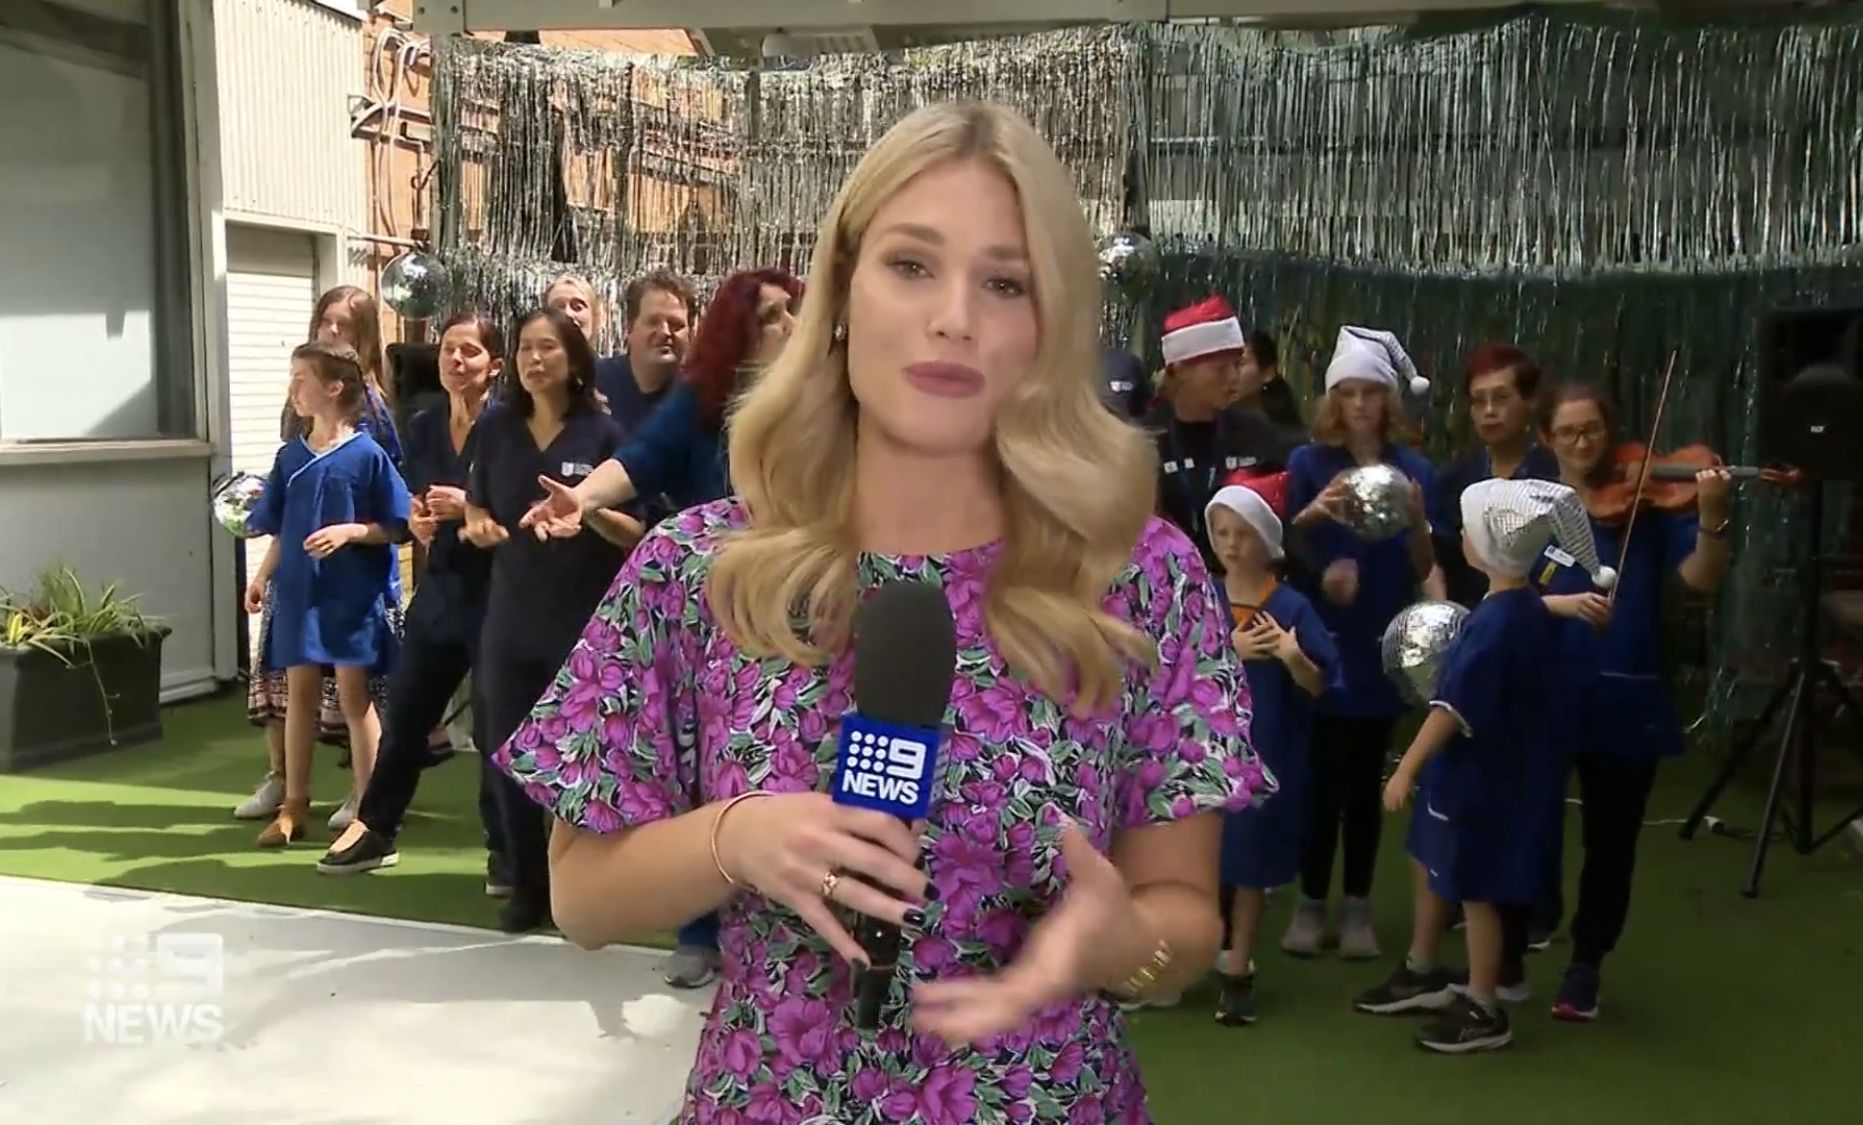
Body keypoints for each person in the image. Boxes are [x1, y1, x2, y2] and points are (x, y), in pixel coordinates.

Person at [494, 101, 1271, 1120]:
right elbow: (581, 899)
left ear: (1047, 327)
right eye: (911, 265)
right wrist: (736, 837)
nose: (954, 316)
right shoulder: (698, 569)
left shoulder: (1141, 581)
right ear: (841, 293)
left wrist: (1120, 944)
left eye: (1004, 283)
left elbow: (1182, 922)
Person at [1355, 478, 1614, 1053]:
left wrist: (1405, 768)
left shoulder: (1496, 624)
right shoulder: (1518, 606)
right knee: (1453, 874)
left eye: (1469, 531)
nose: (1463, 539)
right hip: (1491, 775)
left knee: (1476, 894)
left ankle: (1484, 1004)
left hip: (1475, 779)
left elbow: (1451, 708)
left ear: (1488, 547)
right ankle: (1451, 981)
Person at [1534, 382, 1731, 1022]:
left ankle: (1586, 964)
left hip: (1625, 696)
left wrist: (1711, 515)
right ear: (1547, 439)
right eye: (1568, 432)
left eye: (1593, 429)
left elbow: (1701, 577)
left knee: (1611, 842)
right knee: (1527, 819)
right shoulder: (1530, 506)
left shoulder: (1651, 510)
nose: (1583, 442)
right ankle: (1519, 932)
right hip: (1544, 692)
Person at [462, 307, 643, 932]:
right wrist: (477, 525)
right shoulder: (496, 428)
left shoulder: (604, 437)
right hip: (511, 617)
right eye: (524, 349)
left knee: (582, 758)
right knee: (506, 750)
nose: (534, 360)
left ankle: (585, 885)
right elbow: (478, 504)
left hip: (582, 624)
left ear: (574, 360)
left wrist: (587, 512)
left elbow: (639, 532)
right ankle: (527, 883)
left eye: (548, 348)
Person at [315, 312, 506, 885]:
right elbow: (410, 502)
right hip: (441, 588)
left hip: (499, 592)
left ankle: (505, 852)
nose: (456, 361)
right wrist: (419, 520)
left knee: (495, 728)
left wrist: (469, 505)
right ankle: (375, 828)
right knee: (407, 712)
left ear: (495, 365)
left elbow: (526, 505)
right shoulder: (422, 424)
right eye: (449, 350)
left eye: (470, 351)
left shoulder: (509, 427)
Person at [1281, 326, 1443, 961]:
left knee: (1363, 784)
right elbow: (1281, 544)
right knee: (1321, 779)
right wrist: (1318, 525)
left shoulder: (1415, 471)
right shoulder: (1308, 465)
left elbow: (1425, 563)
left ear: (1387, 400)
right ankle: (1310, 902)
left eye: (1370, 393)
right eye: (1347, 393)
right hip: (1322, 640)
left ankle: (1356, 907)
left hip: (1381, 638)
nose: (1359, 405)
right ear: (1332, 400)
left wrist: (1419, 521)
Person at [239, 285, 404, 830]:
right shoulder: (290, 456)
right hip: (299, 593)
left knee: (356, 697)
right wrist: (262, 576)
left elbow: (398, 524)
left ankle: (369, 806)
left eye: (301, 380)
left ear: (334, 387)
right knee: (299, 695)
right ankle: (293, 801)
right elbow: (280, 526)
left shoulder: (369, 451)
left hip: (351, 597)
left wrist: (351, 532)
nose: (293, 390)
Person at [1205, 482, 1338, 1026]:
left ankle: (1238, 967)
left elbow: (1321, 684)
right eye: (1221, 533)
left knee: (1250, 864)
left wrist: (1292, 656)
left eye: (1243, 534)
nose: (1231, 545)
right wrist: (1227, 649)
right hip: (1201, 754)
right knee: (1195, 859)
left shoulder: (1291, 607)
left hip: (1264, 755)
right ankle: (1177, 961)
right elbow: (1168, 669)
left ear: (1267, 541)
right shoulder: (1203, 597)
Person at [523, 267, 802, 524]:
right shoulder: (700, 400)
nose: (791, 323)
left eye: (792, 309)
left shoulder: (813, 400)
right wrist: (581, 497)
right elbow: (640, 459)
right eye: (771, 316)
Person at [1142, 296, 1300, 574]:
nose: (1233, 378)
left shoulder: (1259, 437)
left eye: (1237, 365)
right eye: (1220, 368)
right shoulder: (1144, 439)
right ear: (1181, 370)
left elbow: (1284, 524)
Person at [1434, 343, 1561, 610]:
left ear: (1530, 401)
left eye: (1502, 398)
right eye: (1479, 401)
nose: (1489, 411)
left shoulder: (1556, 476)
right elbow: (1439, 563)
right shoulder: (1453, 481)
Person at [544, 270, 694, 441]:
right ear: (629, 328)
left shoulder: (701, 398)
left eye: (676, 324)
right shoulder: (588, 383)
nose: (665, 332)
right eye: (653, 322)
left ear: (691, 333)